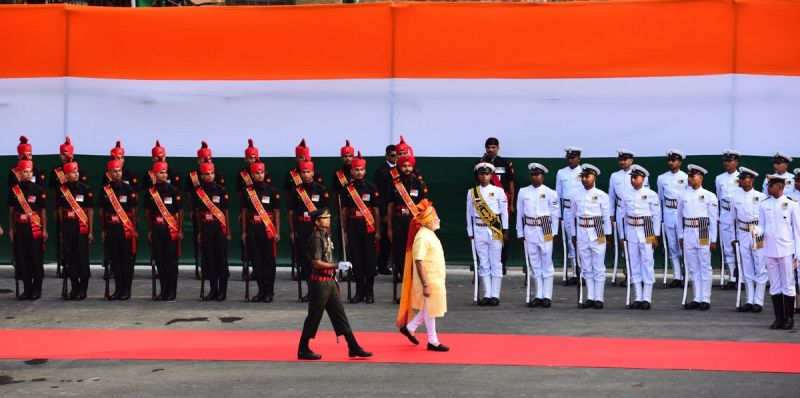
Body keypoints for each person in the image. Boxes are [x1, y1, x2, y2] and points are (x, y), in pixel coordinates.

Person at [298, 208, 372, 360]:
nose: (328, 220)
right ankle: (303, 348)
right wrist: (337, 265)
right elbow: (317, 263)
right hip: (319, 284)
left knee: (340, 316)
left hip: (330, 282)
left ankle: (353, 346)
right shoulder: (316, 238)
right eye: (325, 218)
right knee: (314, 317)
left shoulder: (326, 236)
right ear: (317, 222)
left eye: (329, 218)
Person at [397, 199, 449, 352]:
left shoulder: (429, 233)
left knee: (428, 309)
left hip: (435, 278)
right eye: (435, 218)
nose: (438, 220)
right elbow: (419, 261)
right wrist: (426, 285)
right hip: (429, 279)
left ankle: (410, 327)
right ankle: (433, 341)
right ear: (428, 222)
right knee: (430, 310)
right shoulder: (422, 237)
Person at [756, 174, 800, 330]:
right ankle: (778, 318)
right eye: (768, 185)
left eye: (771, 185)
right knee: (774, 285)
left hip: (787, 249)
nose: (768, 188)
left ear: (780, 187)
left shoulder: (791, 204)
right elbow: (762, 225)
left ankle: (789, 319)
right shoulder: (764, 204)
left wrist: (798, 254)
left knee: (788, 284)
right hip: (770, 249)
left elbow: (797, 231)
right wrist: (757, 231)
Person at [567, 164, 612, 309]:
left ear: (594, 177)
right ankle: (590, 297)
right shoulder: (575, 195)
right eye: (583, 177)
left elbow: (606, 217)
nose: (585, 179)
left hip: (597, 230)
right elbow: (572, 216)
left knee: (598, 266)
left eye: (588, 176)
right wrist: (573, 234)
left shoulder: (602, 195)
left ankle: (599, 298)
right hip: (581, 231)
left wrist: (608, 235)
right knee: (586, 266)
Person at [516, 163, 560, 308]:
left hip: (545, 228)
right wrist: (520, 232)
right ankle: (538, 295)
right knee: (534, 264)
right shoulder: (523, 192)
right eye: (533, 174)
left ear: (543, 176)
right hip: (530, 229)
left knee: (546, 264)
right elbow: (520, 214)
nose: (535, 177)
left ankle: (547, 296)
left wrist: (554, 233)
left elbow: (555, 215)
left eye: (538, 174)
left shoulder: (550, 192)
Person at [618, 165, 661, 310]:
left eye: (636, 177)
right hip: (631, 229)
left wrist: (655, 235)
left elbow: (656, 216)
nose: (633, 179)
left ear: (643, 179)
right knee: (634, 263)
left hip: (647, 229)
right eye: (632, 177)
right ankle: (637, 297)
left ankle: (647, 298)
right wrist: (622, 235)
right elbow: (621, 216)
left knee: (648, 262)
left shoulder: (651, 194)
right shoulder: (625, 194)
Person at [387, 154, 429, 302]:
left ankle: (415, 293)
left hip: (414, 224)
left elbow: (425, 207)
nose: (407, 168)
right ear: (399, 166)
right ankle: (405, 293)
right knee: (400, 257)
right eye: (404, 166)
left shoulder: (419, 184)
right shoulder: (394, 184)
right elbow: (390, 207)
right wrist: (390, 228)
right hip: (399, 223)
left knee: (415, 257)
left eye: (409, 166)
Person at [341, 152, 381, 303]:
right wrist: (344, 231)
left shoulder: (372, 187)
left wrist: (378, 230)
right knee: (356, 260)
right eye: (355, 169)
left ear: (365, 171)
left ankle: (369, 293)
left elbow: (376, 210)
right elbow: (344, 211)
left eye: (361, 169)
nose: (358, 172)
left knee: (369, 261)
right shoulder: (347, 188)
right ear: (351, 171)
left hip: (369, 228)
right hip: (353, 226)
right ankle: (359, 292)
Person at [677, 164, 719, 311]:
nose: (690, 178)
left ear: (700, 178)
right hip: (688, 231)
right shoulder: (683, 195)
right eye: (689, 176)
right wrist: (680, 236)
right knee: (694, 267)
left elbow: (713, 220)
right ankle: (696, 297)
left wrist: (713, 239)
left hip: (703, 231)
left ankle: (705, 298)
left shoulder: (709, 195)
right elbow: (679, 217)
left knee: (705, 266)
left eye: (692, 176)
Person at [467, 162, 508, 306]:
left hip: (494, 230)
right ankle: (487, 294)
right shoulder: (472, 192)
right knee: (483, 263)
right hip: (478, 229)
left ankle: (495, 295)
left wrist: (505, 230)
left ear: (491, 176)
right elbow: (469, 214)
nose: (484, 177)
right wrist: (470, 232)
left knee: (496, 262)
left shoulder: (498, 191)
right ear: (478, 175)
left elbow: (504, 212)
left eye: (487, 174)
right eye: (481, 174)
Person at [288, 158, 330, 301]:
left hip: (316, 229)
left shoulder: (321, 189)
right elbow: (291, 213)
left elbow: (326, 212)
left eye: (308, 172)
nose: (305, 175)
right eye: (303, 172)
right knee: (305, 262)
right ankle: (311, 291)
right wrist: (293, 231)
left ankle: (321, 291)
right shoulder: (296, 191)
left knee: (318, 260)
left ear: (312, 172)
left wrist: (327, 231)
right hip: (302, 228)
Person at [241, 162, 281, 302]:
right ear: (251, 175)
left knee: (269, 262)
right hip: (253, 228)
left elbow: (276, 212)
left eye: (261, 172)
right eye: (257, 173)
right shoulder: (247, 192)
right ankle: (260, 291)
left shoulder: (271, 190)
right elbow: (244, 212)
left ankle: (269, 292)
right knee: (256, 262)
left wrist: (277, 232)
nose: (259, 175)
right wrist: (244, 232)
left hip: (267, 229)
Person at [8, 159, 47, 300]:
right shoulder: (14, 191)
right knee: (22, 258)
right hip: (20, 227)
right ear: (19, 173)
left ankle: (37, 289)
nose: (28, 174)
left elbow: (43, 212)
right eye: (25, 171)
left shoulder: (39, 190)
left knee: (35, 258)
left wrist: (44, 230)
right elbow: (11, 212)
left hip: (35, 227)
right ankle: (27, 289)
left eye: (30, 171)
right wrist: (11, 229)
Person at [99, 159, 138, 301]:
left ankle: (126, 290)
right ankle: (117, 290)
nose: (117, 173)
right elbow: (101, 211)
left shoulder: (129, 190)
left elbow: (134, 211)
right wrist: (103, 229)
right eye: (114, 171)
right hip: (111, 228)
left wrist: (134, 228)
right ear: (109, 173)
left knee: (126, 261)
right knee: (115, 261)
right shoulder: (105, 190)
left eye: (119, 171)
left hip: (125, 228)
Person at [730, 167, 767, 312]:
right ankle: (749, 300)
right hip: (743, 233)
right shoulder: (734, 197)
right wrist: (734, 238)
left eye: (743, 178)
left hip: (757, 233)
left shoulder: (761, 196)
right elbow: (732, 219)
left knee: (760, 267)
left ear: (751, 180)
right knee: (747, 268)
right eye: (740, 178)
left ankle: (759, 301)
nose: (740, 181)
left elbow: (765, 220)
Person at [609, 149, 648, 285]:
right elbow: (611, 197)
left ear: (631, 161)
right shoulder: (614, 176)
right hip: (621, 211)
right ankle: (629, 274)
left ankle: (642, 275)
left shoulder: (640, 174)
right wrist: (611, 215)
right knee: (624, 243)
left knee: (641, 244)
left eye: (624, 159)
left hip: (637, 214)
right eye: (620, 160)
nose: (622, 162)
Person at [193, 162, 231, 301]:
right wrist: (200, 232)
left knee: (221, 259)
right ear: (202, 176)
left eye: (212, 173)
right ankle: (213, 290)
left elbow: (226, 212)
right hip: (206, 227)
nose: (210, 176)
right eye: (207, 174)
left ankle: (223, 291)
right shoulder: (198, 192)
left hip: (219, 228)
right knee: (209, 260)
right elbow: (197, 213)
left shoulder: (221, 190)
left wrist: (228, 231)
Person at [145, 161, 183, 301]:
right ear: (154, 174)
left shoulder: (174, 190)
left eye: (165, 172)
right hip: (156, 229)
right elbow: (148, 214)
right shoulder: (150, 192)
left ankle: (172, 291)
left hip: (171, 229)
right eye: (161, 172)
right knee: (160, 261)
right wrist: (149, 230)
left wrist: (179, 229)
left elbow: (180, 211)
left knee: (171, 261)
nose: (164, 175)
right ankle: (163, 291)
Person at [478, 138, 516, 275]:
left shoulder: (505, 163)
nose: (490, 150)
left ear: (498, 148)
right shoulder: (481, 164)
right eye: (488, 147)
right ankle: (485, 264)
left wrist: (511, 204)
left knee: (502, 234)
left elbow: (511, 184)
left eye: (493, 147)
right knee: (484, 236)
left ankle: (502, 264)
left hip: (502, 203)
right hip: (485, 205)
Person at [57, 161, 94, 300]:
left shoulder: (85, 188)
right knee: (70, 257)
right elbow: (60, 211)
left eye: (77, 171)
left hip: (82, 228)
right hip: (67, 227)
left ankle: (83, 289)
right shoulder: (62, 190)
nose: (76, 174)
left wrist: (90, 231)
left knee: (82, 258)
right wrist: (62, 229)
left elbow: (90, 211)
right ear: (66, 175)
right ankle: (74, 287)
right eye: (72, 172)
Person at [657, 149, 688, 288]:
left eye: (674, 160)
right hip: (669, 212)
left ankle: (686, 275)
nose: (671, 162)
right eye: (669, 160)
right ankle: (677, 276)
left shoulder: (686, 177)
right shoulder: (662, 178)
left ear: (679, 162)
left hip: (682, 214)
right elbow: (660, 199)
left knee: (685, 246)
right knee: (672, 247)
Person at [556, 147, 583, 285]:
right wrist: (558, 215)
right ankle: (574, 272)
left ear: (579, 158)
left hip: (581, 210)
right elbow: (558, 195)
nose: (571, 160)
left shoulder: (584, 172)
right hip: (567, 210)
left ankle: (584, 273)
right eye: (569, 158)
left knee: (582, 241)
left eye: (573, 158)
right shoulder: (561, 173)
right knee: (571, 241)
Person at [716, 150, 741, 290]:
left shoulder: (742, 177)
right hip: (725, 214)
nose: (727, 163)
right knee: (727, 247)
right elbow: (719, 198)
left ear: (736, 162)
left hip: (739, 215)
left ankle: (742, 277)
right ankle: (732, 277)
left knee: (741, 247)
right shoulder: (719, 178)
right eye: (725, 161)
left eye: (730, 161)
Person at [374, 144, 398, 276]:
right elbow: (380, 194)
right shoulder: (381, 171)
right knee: (384, 241)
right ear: (387, 156)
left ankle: (395, 265)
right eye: (393, 155)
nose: (396, 158)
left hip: (398, 210)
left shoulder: (401, 170)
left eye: (398, 155)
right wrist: (383, 213)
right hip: (385, 210)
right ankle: (382, 265)